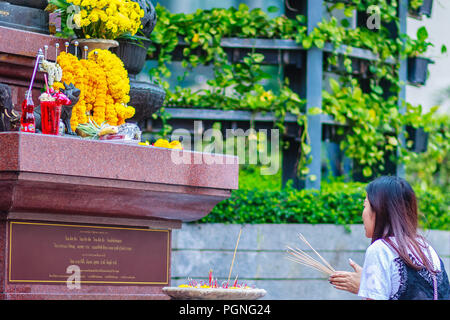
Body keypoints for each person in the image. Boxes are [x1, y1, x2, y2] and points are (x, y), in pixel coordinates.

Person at [328, 176, 450, 300]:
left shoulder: (380, 250)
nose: (362, 214)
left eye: (365, 205)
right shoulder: (427, 249)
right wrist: (370, 284)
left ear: (379, 209)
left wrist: (367, 288)